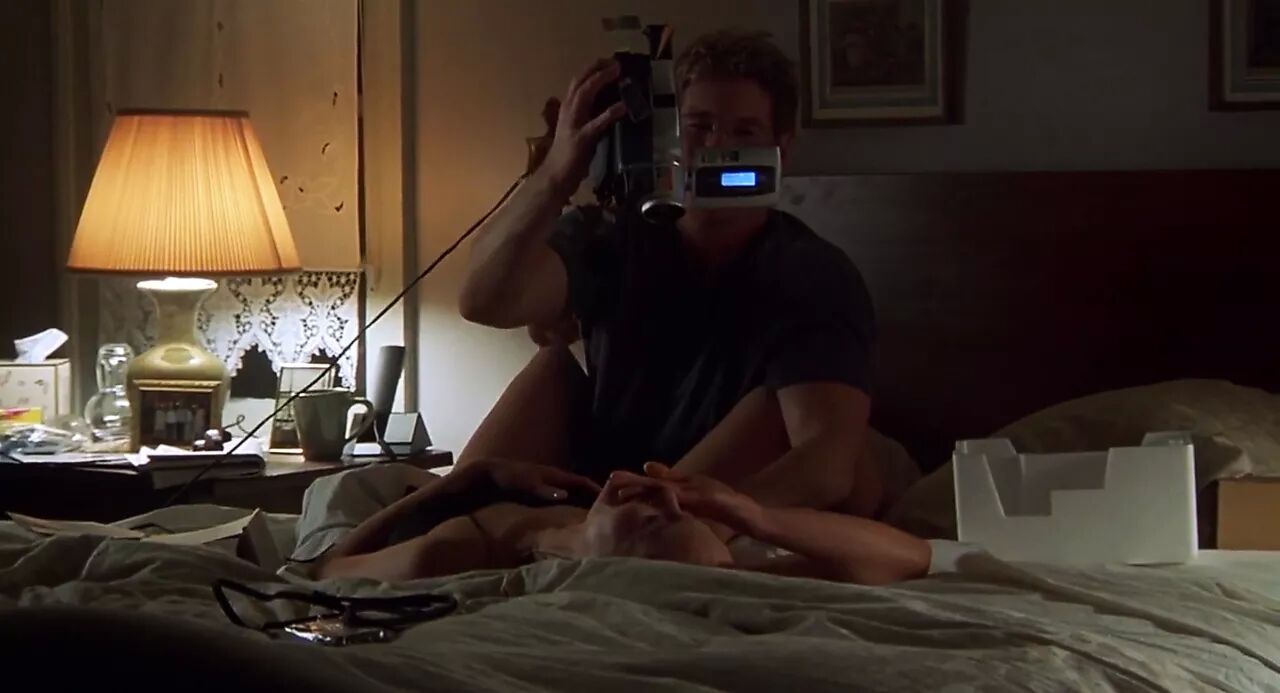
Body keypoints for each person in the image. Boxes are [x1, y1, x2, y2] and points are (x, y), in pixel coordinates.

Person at [459, 31, 882, 519]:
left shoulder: (811, 273)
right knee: (552, 365)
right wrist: (557, 174)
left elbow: (825, 467)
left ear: (781, 150)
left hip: (701, 498)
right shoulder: (612, 236)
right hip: (604, 485)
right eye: (700, 126)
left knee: (783, 412)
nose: (717, 146)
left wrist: (700, 519)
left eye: (744, 131)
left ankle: (637, 523)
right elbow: (483, 300)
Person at [317, 458, 930, 585]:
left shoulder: (466, 547)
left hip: (452, 496)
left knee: (345, 485)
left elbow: (328, 568)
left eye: (650, 526)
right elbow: (913, 555)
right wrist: (749, 514)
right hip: (544, 479)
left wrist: (466, 477)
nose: (657, 503)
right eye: (665, 509)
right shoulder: (702, 538)